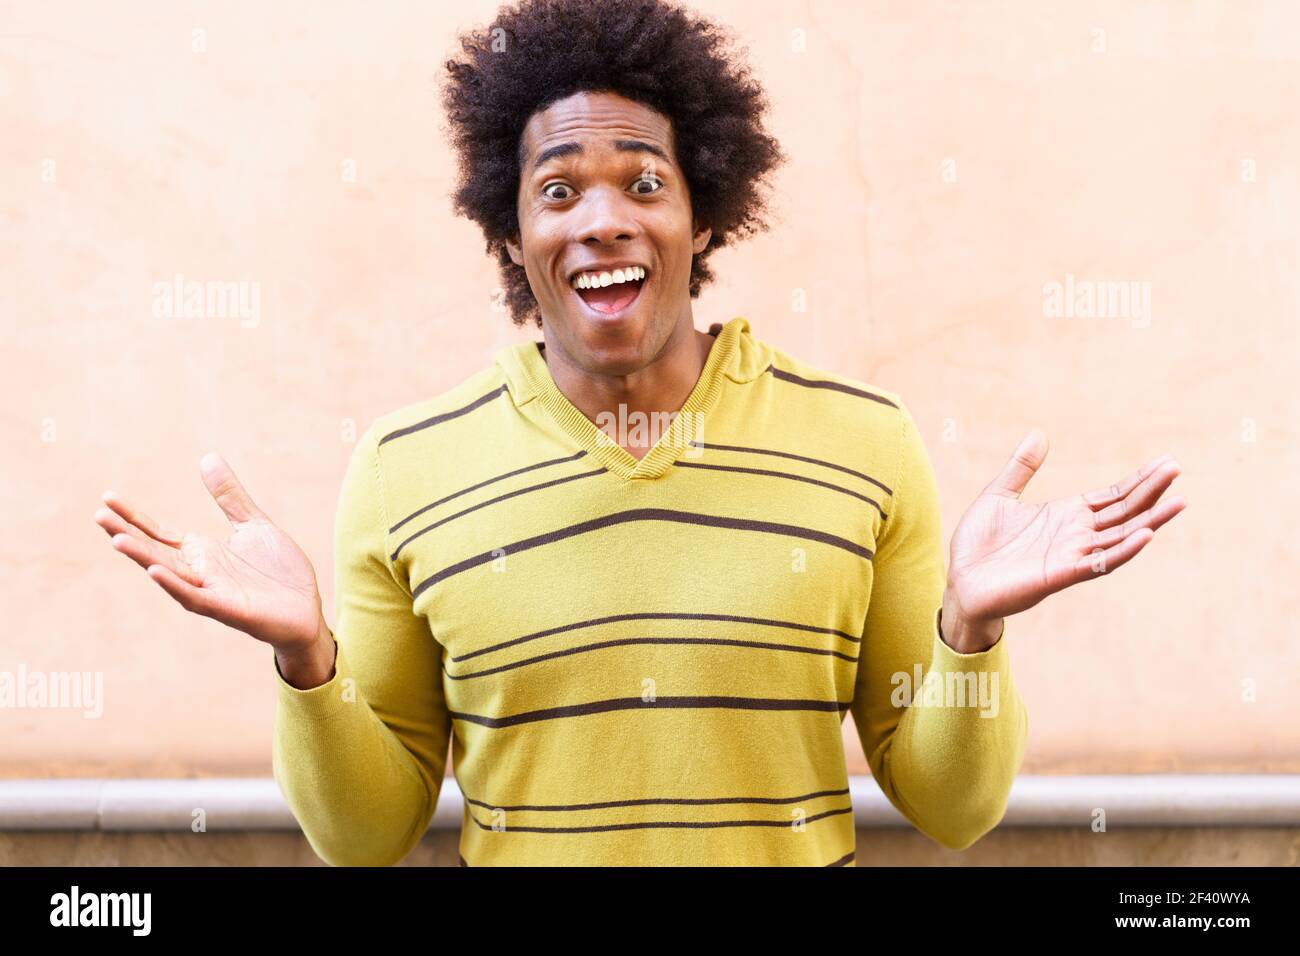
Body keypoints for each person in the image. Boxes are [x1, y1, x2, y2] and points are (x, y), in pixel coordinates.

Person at [94, 0, 1186, 866]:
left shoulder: (863, 440)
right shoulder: (403, 467)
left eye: (643, 182)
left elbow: (953, 809)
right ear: (514, 237)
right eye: (557, 188)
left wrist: (968, 636)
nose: (601, 217)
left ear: (702, 211)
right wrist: (306, 661)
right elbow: (365, 834)